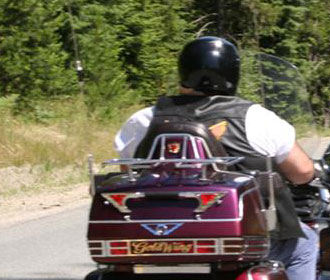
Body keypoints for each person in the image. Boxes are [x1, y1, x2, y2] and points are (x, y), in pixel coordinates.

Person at [114, 36, 318, 280]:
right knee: (305, 245)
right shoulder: (256, 118)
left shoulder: (145, 119)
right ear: (232, 73)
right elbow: (303, 172)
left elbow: (128, 173)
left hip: (156, 241)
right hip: (239, 243)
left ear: (184, 70)